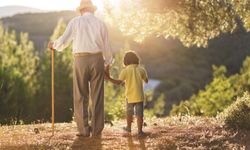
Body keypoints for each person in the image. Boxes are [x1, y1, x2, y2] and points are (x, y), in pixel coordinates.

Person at [48, 0, 113, 137]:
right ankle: (96, 130)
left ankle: (84, 130)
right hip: (97, 59)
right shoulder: (101, 24)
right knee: (97, 96)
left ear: (81, 10)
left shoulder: (75, 22)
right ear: (92, 10)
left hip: (80, 60)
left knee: (80, 95)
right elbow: (107, 47)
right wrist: (107, 64)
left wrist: (54, 45)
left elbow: (64, 41)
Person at [105, 51, 148, 136]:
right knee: (139, 114)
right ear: (136, 59)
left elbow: (118, 82)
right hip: (139, 96)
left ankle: (128, 128)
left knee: (129, 113)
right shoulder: (141, 69)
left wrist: (109, 78)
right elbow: (146, 80)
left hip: (130, 96)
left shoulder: (125, 71)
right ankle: (140, 131)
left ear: (126, 61)